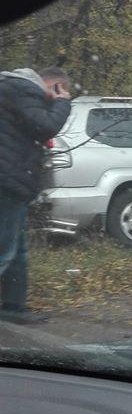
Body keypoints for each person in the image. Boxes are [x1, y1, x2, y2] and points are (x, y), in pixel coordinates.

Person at [0, 66, 71, 323]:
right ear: (55, 86)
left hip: (11, 181)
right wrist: (62, 103)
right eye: (60, 91)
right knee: (5, 250)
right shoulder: (24, 90)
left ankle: (13, 307)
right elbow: (46, 126)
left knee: (17, 252)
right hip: (7, 182)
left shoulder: (14, 91)